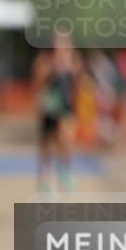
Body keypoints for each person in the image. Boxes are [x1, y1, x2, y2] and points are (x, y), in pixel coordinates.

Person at [32, 28, 83, 193]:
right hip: (49, 107)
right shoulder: (45, 59)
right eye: (58, 41)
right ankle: (45, 179)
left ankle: (65, 172)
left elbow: (79, 81)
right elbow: (38, 81)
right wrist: (53, 69)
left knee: (66, 138)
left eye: (64, 41)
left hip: (66, 107)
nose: (61, 45)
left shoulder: (74, 59)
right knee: (47, 144)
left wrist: (72, 70)